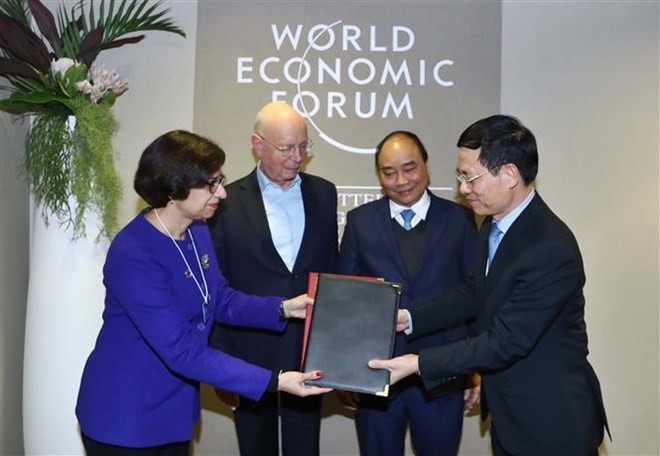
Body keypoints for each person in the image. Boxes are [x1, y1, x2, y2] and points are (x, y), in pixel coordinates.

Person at [75, 130, 331, 455]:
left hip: (173, 410)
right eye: (211, 184)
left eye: (220, 180)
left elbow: (220, 298)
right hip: (127, 415)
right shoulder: (134, 253)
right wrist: (275, 381)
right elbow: (181, 350)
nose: (222, 193)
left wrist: (284, 308)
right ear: (175, 187)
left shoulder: (196, 230)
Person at [369, 115, 609, 455]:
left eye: (470, 177)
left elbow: (505, 342)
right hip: (510, 417)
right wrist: (410, 317)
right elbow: (475, 293)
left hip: (552, 423)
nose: (463, 188)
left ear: (509, 174)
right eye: (460, 176)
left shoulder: (550, 247)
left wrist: (416, 363)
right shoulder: (492, 226)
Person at [208, 101, 338, 456]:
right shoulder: (225, 201)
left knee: (304, 448)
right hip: (249, 355)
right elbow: (217, 287)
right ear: (257, 143)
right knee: (255, 448)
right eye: (286, 148)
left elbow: (330, 272)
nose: (297, 157)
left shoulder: (324, 193)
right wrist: (222, 366)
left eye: (303, 146)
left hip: (309, 352)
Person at [337, 130, 477, 456]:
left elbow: (474, 295)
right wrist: (344, 372)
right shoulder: (360, 222)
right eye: (389, 172)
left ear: (426, 166)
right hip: (375, 378)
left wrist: (475, 367)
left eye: (409, 168)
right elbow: (346, 300)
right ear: (379, 175)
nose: (401, 180)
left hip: (443, 376)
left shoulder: (460, 219)